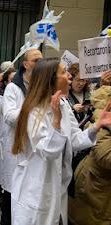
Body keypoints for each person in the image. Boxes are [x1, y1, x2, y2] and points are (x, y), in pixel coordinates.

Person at [11, 57, 111, 225]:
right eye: (64, 72)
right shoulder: (33, 110)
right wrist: (56, 123)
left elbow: (74, 139)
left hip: (57, 187)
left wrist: (96, 126)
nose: (69, 77)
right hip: (36, 191)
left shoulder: (63, 105)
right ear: (51, 79)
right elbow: (47, 153)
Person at [0, 48, 42, 225]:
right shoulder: (12, 88)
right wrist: (31, 107)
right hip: (16, 150)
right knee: (12, 196)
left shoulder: (43, 86)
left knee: (28, 199)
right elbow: (9, 117)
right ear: (25, 65)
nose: (40, 63)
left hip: (35, 150)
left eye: (42, 60)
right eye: (35, 60)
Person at [68, 84, 111, 225]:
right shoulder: (104, 126)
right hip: (96, 198)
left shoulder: (99, 120)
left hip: (93, 192)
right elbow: (106, 157)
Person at [0, 68, 16, 206]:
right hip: (2, 141)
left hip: (15, 145)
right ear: (6, 82)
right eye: (12, 79)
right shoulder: (0, 100)